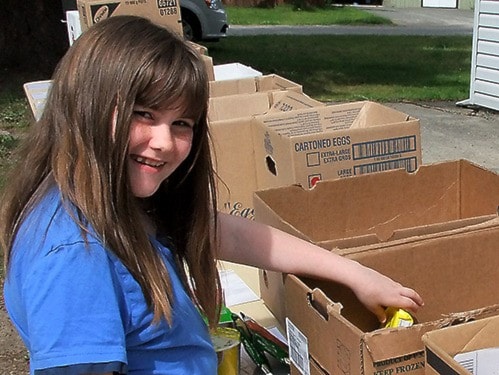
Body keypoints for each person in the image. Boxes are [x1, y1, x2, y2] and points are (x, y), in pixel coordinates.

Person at [0, 15, 423, 375]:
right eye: (142, 114)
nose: (163, 142)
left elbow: (227, 233)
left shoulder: (116, 199)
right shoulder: (75, 254)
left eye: (181, 123)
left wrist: (354, 273)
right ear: (84, 107)